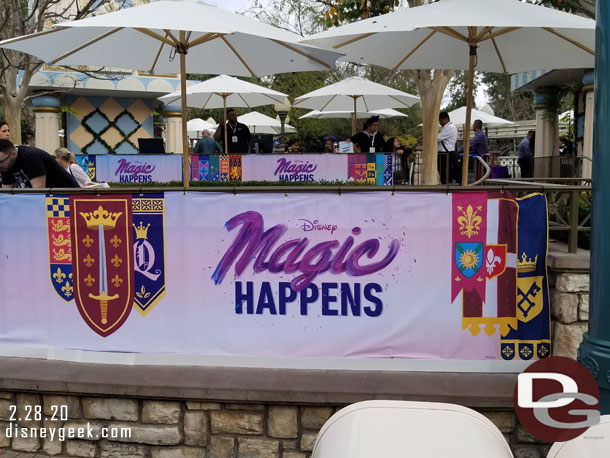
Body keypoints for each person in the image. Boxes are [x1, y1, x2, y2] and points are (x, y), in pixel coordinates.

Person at [0, 139, 78, 188]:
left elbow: (38, 191)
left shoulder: (31, 157)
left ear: (13, 154)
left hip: (67, 198)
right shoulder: (5, 165)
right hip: (49, 199)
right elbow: (7, 193)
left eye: (1, 162)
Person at [437, 111, 458, 183]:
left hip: (446, 153)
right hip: (444, 153)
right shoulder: (447, 128)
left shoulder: (450, 128)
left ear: (445, 119)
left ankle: (446, 186)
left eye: (440, 121)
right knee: (443, 171)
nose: (440, 123)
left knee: (444, 172)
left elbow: (437, 138)